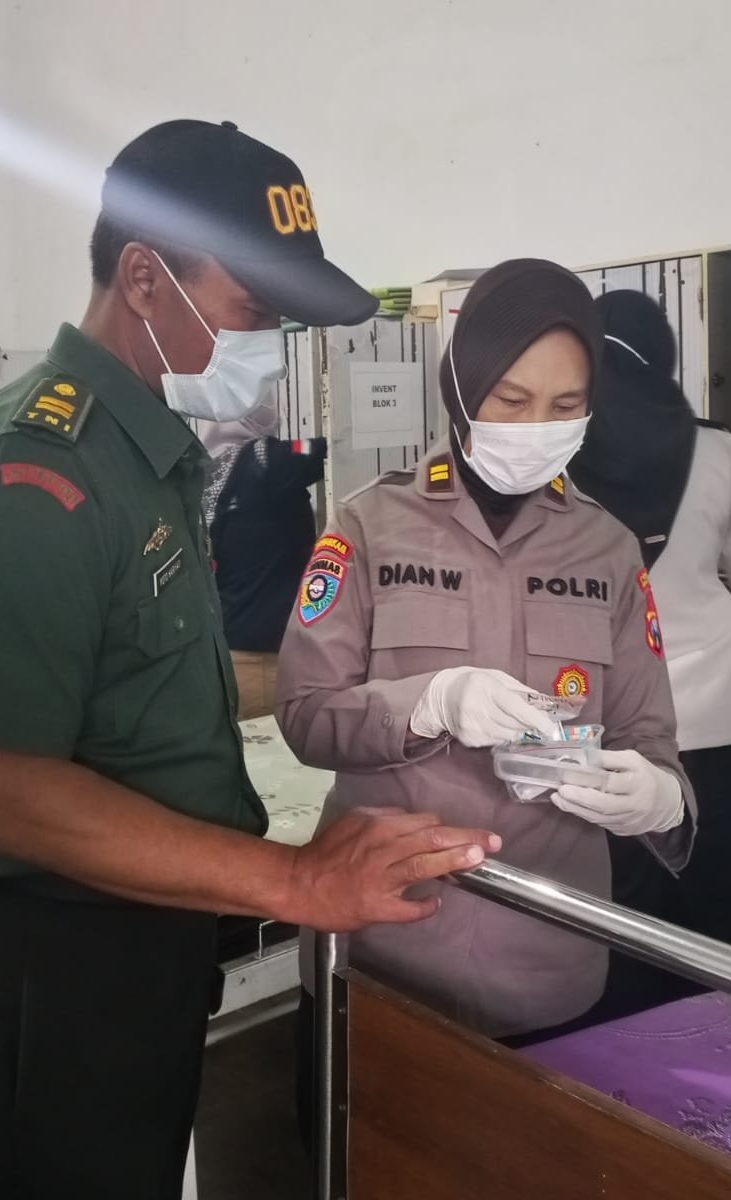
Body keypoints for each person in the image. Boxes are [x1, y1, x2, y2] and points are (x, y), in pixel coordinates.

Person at [0, 120, 500, 1200]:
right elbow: (1, 790)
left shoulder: (148, 460)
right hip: (50, 977)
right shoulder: (36, 477)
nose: (267, 346)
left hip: (136, 955)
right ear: (143, 278)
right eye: (253, 314)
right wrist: (295, 879)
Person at [277, 259, 695, 1135]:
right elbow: (306, 714)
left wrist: (657, 796)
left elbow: (651, 741)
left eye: (565, 404)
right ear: (463, 389)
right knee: (366, 1166)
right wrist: (430, 701)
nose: (537, 426)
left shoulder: (609, 550)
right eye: (512, 399)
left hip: (547, 963)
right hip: (384, 944)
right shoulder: (369, 525)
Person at [569, 290, 731, 1007]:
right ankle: (694, 1050)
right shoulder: (717, 446)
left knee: (613, 914)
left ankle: (610, 1055)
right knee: (703, 909)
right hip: (714, 718)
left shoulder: (560, 440)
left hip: (606, 714)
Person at [199, 395, 327, 719]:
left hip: (229, 650)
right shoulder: (263, 459)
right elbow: (319, 449)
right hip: (264, 663)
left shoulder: (209, 470)